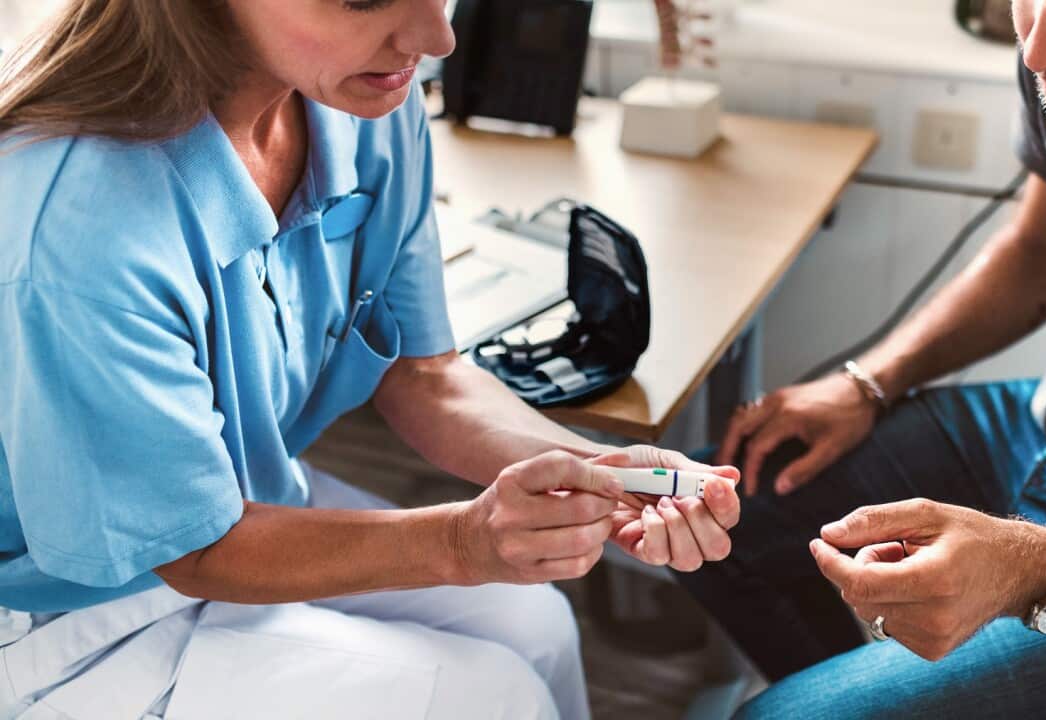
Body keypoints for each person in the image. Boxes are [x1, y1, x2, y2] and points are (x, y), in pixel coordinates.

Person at [0, 1, 740, 718]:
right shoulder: (78, 231)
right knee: (491, 698)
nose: (437, 36)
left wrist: (604, 472)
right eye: (364, 0)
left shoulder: (363, 101)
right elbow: (194, 547)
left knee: (537, 625)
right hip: (65, 608)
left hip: (241, 503)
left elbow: (426, 376)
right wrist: (462, 541)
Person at [678, 0, 1046, 716]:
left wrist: (1038, 570)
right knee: (721, 510)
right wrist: (868, 382)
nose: (1039, 49)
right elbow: (1034, 256)